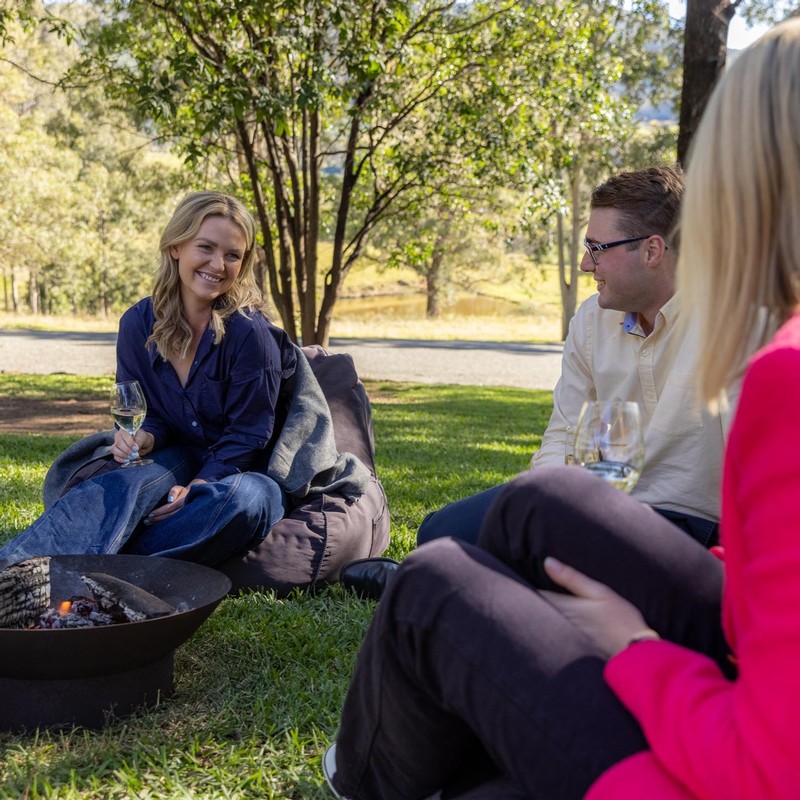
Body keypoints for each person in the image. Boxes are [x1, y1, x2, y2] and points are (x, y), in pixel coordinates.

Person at [323, 18, 800, 800]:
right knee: (527, 505)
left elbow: (769, 768)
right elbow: (563, 442)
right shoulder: (595, 322)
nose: (584, 264)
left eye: (598, 248)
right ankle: (495, 660)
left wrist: (639, 646)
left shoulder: (764, 348)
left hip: (693, 556)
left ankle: (386, 758)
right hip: (711, 587)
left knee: (436, 580)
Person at [0, 191, 299, 566]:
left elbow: (249, 435)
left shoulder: (250, 334)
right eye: (205, 247)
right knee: (119, 484)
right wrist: (142, 436)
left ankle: (113, 558)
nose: (218, 264)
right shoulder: (138, 324)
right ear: (176, 247)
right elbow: (145, 411)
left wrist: (199, 486)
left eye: (232, 255)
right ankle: (14, 571)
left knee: (246, 502)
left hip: (242, 470)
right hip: (175, 455)